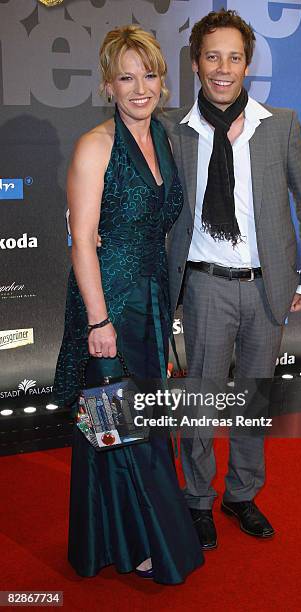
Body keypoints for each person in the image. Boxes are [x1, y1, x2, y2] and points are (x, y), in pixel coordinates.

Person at [160, 9, 301, 549]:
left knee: (253, 401)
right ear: (195, 62)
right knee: (201, 404)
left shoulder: (280, 124)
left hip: (266, 288)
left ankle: (241, 495)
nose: (223, 68)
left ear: (247, 64)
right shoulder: (173, 131)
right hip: (206, 285)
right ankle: (197, 500)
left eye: (234, 57)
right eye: (212, 56)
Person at [53, 25, 203, 584]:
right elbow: (81, 241)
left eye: (150, 74)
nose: (141, 87)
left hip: (152, 300)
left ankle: (106, 539)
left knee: (121, 424)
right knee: (119, 424)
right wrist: (98, 321)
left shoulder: (161, 137)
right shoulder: (97, 144)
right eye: (126, 77)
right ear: (107, 85)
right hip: (109, 302)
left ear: (163, 80)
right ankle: (145, 540)